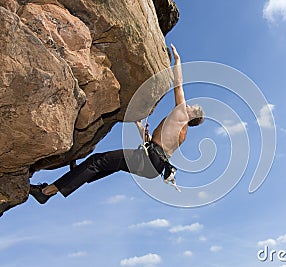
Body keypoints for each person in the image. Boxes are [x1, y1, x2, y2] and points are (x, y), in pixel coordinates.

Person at [29, 44, 204, 204]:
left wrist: (178, 60)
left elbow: (178, 85)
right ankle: (77, 175)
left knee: (98, 161)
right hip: (155, 166)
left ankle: (46, 192)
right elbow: (156, 144)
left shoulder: (182, 115)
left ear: (192, 114)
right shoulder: (182, 133)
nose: (188, 105)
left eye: (191, 106)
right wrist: (140, 128)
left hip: (148, 159)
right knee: (106, 165)